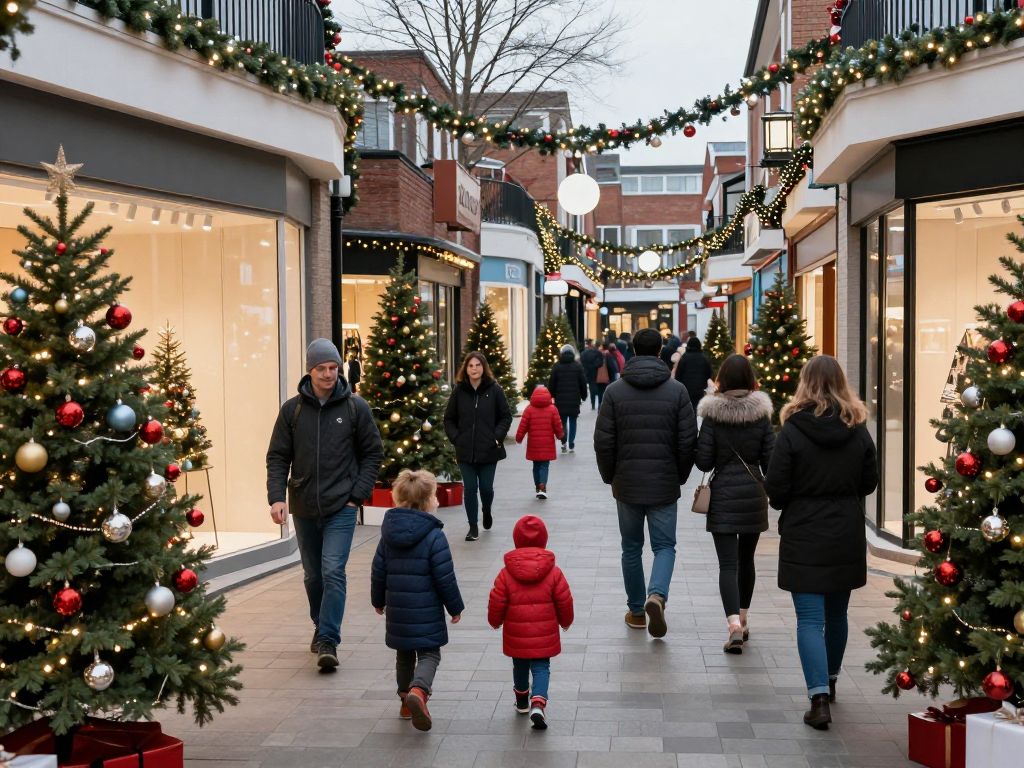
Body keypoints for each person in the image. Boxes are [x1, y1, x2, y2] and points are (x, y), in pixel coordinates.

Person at [765, 355, 878, 731]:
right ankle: (829, 681)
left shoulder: (793, 430)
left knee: (810, 619)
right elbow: (869, 481)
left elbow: (776, 490)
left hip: (804, 532)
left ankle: (818, 698)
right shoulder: (857, 427)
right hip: (845, 530)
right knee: (836, 615)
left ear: (804, 383)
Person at [266, 338, 384, 670]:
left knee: (333, 571)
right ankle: (321, 624)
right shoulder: (293, 411)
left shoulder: (354, 408)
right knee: (313, 576)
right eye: (322, 369)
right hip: (303, 506)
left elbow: (373, 453)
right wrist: (277, 497)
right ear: (310, 371)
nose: (329, 374)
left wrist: (355, 496)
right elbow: (277, 457)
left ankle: (329, 639)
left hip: (341, 508)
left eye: (334, 368)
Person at [594, 328, 698, 638]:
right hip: (664, 481)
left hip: (626, 483)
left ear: (632, 351)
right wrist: (679, 475)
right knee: (665, 545)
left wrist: (610, 475)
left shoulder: (614, 392)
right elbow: (687, 440)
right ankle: (657, 594)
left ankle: (638, 611)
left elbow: (603, 441)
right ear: (660, 351)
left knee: (631, 547)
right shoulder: (677, 391)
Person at [370, 469, 464, 732]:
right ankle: (419, 692)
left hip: (398, 611)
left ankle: (404, 701)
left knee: (403, 655)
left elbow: (378, 571)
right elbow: (445, 577)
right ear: (428, 501)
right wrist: (455, 607)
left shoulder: (387, 536)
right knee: (429, 654)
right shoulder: (434, 535)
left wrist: (377, 600)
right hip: (427, 610)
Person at [694, 354, 774, 653]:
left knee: (727, 564)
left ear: (722, 380)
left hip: (724, 495)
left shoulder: (713, 416)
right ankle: (744, 617)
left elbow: (703, 460)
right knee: (746, 560)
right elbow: (771, 460)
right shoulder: (761, 415)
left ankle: (733, 627)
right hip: (753, 493)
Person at [487, 515, 574, 730]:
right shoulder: (554, 572)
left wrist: (495, 621)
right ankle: (539, 703)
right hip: (544, 632)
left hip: (516, 633)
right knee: (542, 666)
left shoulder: (506, 573)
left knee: (520, 664)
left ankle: (522, 701)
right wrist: (565, 621)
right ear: (544, 539)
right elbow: (564, 599)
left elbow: (497, 599)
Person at [443, 352, 513, 542]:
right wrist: (457, 438)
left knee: (486, 489)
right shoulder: (459, 391)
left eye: (478, 365)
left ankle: (487, 510)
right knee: (470, 488)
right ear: (465, 369)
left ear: (484, 368)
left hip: (489, 450)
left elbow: (505, 416)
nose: (474, 369)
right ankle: (473, 526)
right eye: (471, 366)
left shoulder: (494, 390)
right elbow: (449, 419)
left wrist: (496, 437)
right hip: (465, 451)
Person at [515, 385, 563, 499]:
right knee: (544, 465)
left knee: (536, 465)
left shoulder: (529, 409)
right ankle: (542, 486)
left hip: (534, 444)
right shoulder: (552, 409)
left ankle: (537, 486)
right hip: (547, 444)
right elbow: (557, 424)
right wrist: (560, 435)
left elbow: (523, 425)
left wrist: (519, 438)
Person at [547, 344, 587, 453]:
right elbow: (582, 383)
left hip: (560, 400)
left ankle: (563, 442)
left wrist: (551, 395)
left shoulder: (557, 366)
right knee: (573, 420)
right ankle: (571, 443)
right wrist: (584, 395)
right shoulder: (577, 366)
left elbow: (552, 384)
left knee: (562, 421)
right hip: (574, 399)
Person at [675, 337, 714, 411]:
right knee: (696, 408)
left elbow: (678, 374)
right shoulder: (704, 358)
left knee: (687, 409)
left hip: (686, 389)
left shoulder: (684, 357)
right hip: (699, 389)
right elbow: (709, 373)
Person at [580, 339, 605, 410]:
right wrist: (595, 366)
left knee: (592, 388)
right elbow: (601, 363)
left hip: (588, 372)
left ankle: (593, 404)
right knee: (600, 389)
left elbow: (582, 363)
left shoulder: (583, 353)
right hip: (597, 372)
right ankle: (599, 403)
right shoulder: (598, 353)